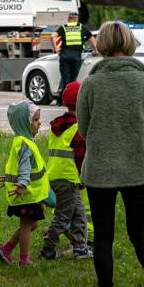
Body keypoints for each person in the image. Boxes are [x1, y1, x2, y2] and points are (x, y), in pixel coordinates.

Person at [76, 20, 144, 287]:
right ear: (130, 43)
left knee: (103, 236)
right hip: (139, 169)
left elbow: (83, 129)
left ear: (101, 45)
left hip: (100, 171)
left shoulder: (91, 82)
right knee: (139, 230)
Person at [41, 81, 93, 260]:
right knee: (63, 217)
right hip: (69, 179)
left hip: (55, 176)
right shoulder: (78, 128)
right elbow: (80, 157)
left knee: (78, 214)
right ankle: (48, 249)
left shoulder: (56, 126)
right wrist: (83, 177)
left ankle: (80, 248)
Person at [0, 101, 50, 268]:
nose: (39, 122)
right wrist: (22, 184)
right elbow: (25, 168)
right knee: (27, 225)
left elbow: (17, 165)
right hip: (26, 193)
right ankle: (24, 260)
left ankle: (6, 248)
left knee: (32, 224)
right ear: (24, 123)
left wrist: (9, 178)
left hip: (25, 192)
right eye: (35, 120)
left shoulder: (22, 140)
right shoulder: (25, 144)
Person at [52, 12, 96, 103]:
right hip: (76, 56)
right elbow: (92, 38)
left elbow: (53, 35)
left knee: (65, 79)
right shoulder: (81, 27)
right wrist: (96, 50)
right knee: (73, 80)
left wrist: (56, 48)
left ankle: (63, 100)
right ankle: (69, 100)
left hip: (65, 55)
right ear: (76, 19)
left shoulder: (64, 27)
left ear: (69, 19)